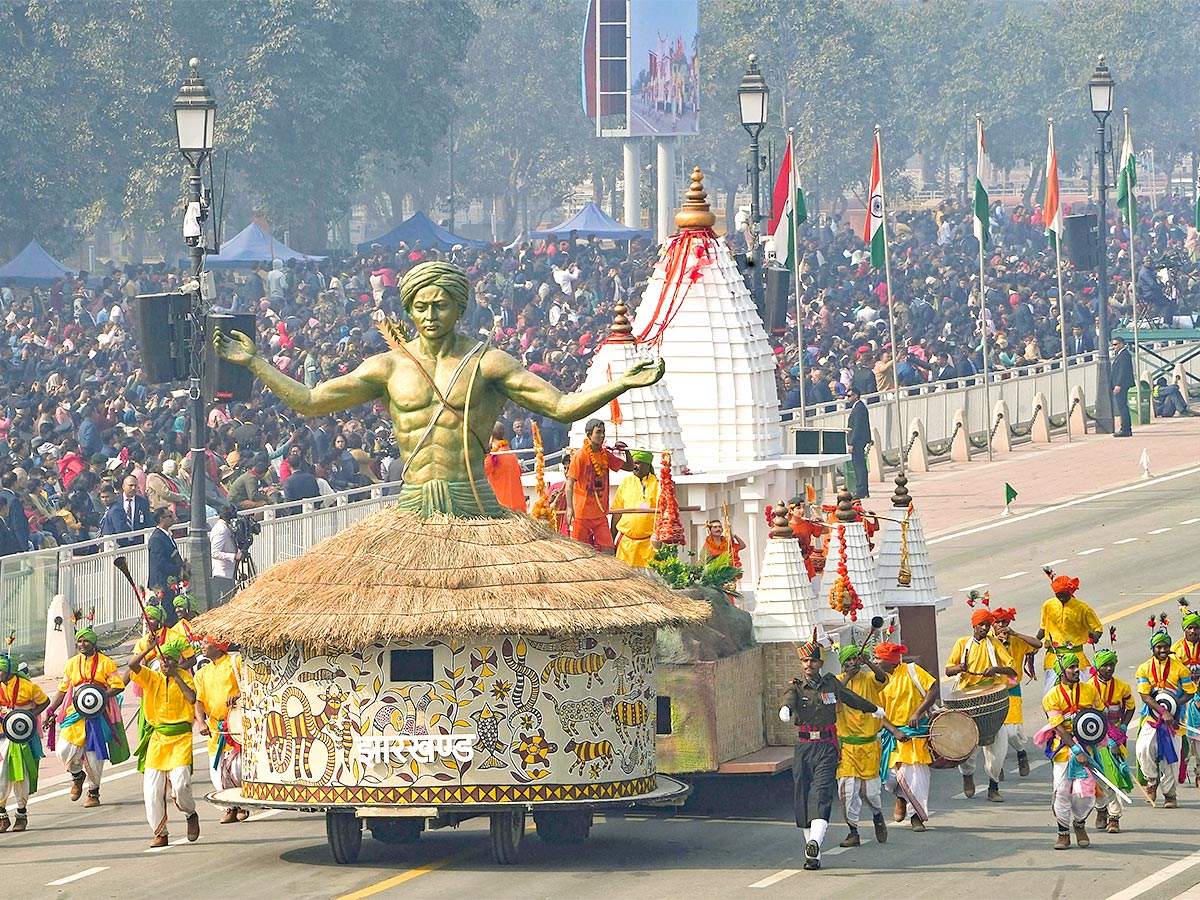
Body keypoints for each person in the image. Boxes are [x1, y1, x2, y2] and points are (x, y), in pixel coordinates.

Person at [214, 261, 663, 519]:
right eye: (420, 307)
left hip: (473, 502)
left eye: (441, 305)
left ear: (459, 307)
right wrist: (256, 363)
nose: (430, 315)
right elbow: (311, 402)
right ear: (408, 309)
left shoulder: (487, 360)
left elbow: (562, 408)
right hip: (411, 504)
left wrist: (620, 382)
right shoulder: (388, 366)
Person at [778, 636, 903, 871]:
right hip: (804, 748)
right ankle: (812, 852)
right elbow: (789, 699)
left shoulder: (831, 685)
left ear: (820, 663)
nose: (809, 665)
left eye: (813, 660)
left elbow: (852, 699)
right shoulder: (795, 686)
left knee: (823, 792)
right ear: (801, 664)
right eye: (805, 660)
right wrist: (785, 709)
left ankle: (816, 841)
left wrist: (874, 709)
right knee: (804, 796)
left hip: (828, 747)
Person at [44, 625, 128, 808]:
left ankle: (93, 792)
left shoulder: (106, 663)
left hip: (99, 715)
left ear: (93, 643)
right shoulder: (72, 663)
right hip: (75, 714)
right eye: (80, 641)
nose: (82, 644)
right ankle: (77, 775)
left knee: (94, 754)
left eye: (86, 641)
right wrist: (50, 711)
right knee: (63, 749)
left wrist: (100, 697)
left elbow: (118, 686)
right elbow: (62, 690)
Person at [129, 635, 199, 848]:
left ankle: (190, 814)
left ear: (177, 662)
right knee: (151, 791)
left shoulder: (185, 678)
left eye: (170, 659)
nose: (165, 662)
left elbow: (192, 698)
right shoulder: (152, 677)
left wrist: (176, 677)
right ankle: (161, 832)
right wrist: (148, 648)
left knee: (180, 784)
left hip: (181, 738)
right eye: (162, 658)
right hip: (158, 739)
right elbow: (132, 665)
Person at [835, 645, 906, 849]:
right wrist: (848, 677)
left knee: (870, 793)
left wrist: (867, 662)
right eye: (847, 661)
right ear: (843, 664)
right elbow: (834, 700)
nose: (851, 664)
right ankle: (853, 831)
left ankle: (877, 815)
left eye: (854, 660)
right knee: (847, 791)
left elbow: (883, 679)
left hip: (869, 745)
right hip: (847, 746)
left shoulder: (869, 679)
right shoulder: (838, 682)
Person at [945, 608, 1017, 802]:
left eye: (987, 625)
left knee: (998, 749)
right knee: (967, 744)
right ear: (974, 626)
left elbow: (1012, 669)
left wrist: (996, 669)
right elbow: (948, 669)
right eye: (981, 625)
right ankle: (967, 775)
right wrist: (960, 668)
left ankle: (993, 787)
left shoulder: (994, 644)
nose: (984, 628)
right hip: (967, 700)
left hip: (992, 699)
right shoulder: (962, 643)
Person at [1040, 652, 1103, 849]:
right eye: (1072, 667)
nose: (1077, 670)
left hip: (1088, 747)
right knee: (1061, 791)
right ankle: (1063, 832)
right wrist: (1076, 749)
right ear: (1061, 672)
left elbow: (1100, 715)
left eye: (1077, 666)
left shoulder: (1090, 690)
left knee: (1085, 793)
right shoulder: (1051, 697)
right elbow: (1058, 727)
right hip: (1063, 749)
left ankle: (1080, 823)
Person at [875, 641, 939, 832]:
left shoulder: (911, 670)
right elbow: (874, 711)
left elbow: (933, 689)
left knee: (916, 776)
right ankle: (901, 797)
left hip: (915, 735)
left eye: (878, 658)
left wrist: (917, 713)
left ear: (889, 660)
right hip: (892, 735)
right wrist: (894, 730)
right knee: (890, 779)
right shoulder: (876, 679)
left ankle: (916, 817)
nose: (875, 661)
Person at [1134, 629, 1196, 808]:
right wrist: (1163, 711)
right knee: (1143, 748)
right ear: (1152, 648)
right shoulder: (1144, 669)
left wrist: (1174, 706)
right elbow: (1145, 696)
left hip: (1175, 718)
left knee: (1172, 756)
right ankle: (1151, 781)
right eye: (1159, 647)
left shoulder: (1180, 669)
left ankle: (1170, 795)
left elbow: (1189, 693)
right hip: (1151, 716)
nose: (1162, 650)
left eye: (1166, 647)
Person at [193, 636, 247, 823]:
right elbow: (198, 702)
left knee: (237, 766)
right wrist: (201, 722)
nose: (202, 646)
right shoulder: (202, 673)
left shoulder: (235, 662)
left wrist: (238, 696)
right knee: (217, 771)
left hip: (235, 723)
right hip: (215, 727)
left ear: (218, 646)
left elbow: (250, 685)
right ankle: (229, 806)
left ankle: (243, 804)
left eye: (206, 643)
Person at [565, 419, 632, 554]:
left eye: (603, 432)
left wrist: (626, 451)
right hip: (581, 514)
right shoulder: (580, 456)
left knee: (609, 549)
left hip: (600, 514)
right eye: (598, 432)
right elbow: (570, 483)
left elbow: (630, 467)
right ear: (589, 435)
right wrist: (570, 507)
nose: (602, 436)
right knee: (577, 551)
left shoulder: (605, 455)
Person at [0, 655, 49, 832]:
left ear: (9, 671)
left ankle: (21, 814)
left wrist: (29, 717)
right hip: (3, 736)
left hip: (24, 737)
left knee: (22, 776)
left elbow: (45, 702)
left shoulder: (29, 687)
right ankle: (2, 816)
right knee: (0, 775)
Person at [1089, 648, 1135, 833]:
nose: (1109, 668)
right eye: (1105, 665)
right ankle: (1101, 809)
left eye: (1111, 665)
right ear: (1097, 667)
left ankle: (1114, 817)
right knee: (1096, 779)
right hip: (1094, 739)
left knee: (1113, 777)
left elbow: (1130, 707)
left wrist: (1122, 727)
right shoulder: (1088, 688)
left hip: (1116, 737)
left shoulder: (1123, 687)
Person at [990, 608, 1037, 779]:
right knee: (995, 731)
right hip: (992, 690)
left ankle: (1021, 753)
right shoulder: (988, 642)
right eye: (998, 622)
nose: (1002, 625)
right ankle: (997, 764)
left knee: (1013, 731)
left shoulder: (1016, 640)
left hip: (1011, 686)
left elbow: (1037, 645)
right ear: (992, 625)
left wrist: (1015, 634)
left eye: (1005, 622)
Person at [1037, 572, 1102, 694]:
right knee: (1051, 694)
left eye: (1064, 595)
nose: (1061, 597)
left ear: (1070, 593)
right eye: (1058, 595)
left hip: (1076, 659)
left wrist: (1095, 637)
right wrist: (1034, 643)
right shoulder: (1048, 605)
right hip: (1053, 659)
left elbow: (1097, 629)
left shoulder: (1083, 608)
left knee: (1083, 693)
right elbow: (1043, 628)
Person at [610, 450, 658, 568]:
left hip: (649, 546)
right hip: (626, 545)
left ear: (647, 465)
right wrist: (611, 538)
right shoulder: (626, 482)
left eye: (638, 463)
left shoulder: (657, 484)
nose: (634, 466)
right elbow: (617, 512)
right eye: (633, 463)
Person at [1173, 609, 1200, 786]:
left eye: (1196, 627)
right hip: (1182, 697)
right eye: (1189, 627)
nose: (1193, 631)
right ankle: (1180, 766)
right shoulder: (1176, 649)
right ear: (1184, 629)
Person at [147, 507, 186, 619]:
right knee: (166, 613)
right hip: (161, 583)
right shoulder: (157, 538)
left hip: (169, 582)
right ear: (161, 519)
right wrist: (179, 569)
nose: (173, 518)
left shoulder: (166, 535)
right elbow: (160, 563)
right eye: (169, 516)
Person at [483, 422, 526, 513]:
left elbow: (478, 474)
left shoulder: (494, 456)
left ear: (490, 436)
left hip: (503, 509)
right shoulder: (511, 454)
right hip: (518, 508)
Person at [99, 474, 152, 546]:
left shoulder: (143, 502)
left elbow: (148, 521)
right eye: (130, 485)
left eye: (135, 486)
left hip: (138, 541)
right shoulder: (115, 501)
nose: (133, 488)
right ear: (123, 486)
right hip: (119, 543)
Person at [209, 503, 239, 604]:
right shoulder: (221, 530)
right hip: (222, 573)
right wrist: (234, 556)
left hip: (227, 572)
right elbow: (214, 553)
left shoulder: (224, 527)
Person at [846, 387, 870, 499]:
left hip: (858, 441)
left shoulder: (859, 408)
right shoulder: (858, 407)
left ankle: (861, 489)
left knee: (859, 466)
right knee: (859, 465)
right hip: (859, 441)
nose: (848, 398)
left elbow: (857, 427)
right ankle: (863, 489)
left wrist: (852, 442)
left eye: (849, 396)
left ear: (856, 396)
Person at [1110, 335, 1134, 437]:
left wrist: (1118, 384)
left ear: (1122, 344)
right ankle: (1125, 428)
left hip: (1122, 385)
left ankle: (1125, 429)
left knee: (1122, 406)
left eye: (1115, 344)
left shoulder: (1124, 355)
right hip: (1119, 384)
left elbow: (1122, 371)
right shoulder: (1120, 354)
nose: (1114, 347)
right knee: (1122, 406)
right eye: (1113, 345)